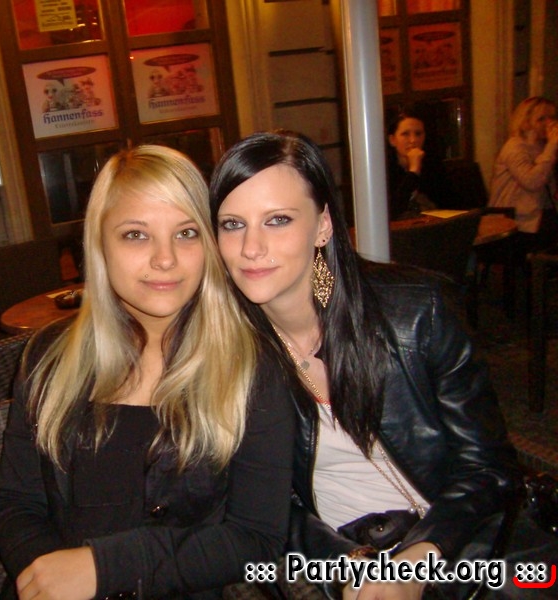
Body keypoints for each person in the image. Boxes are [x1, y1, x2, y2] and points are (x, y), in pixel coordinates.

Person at [210, 131, 553, 599]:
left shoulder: (415, 313)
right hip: (338, 557)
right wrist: (349, 565)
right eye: (232, 224)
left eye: (278, 220)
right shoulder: (227, 351)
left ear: (323, 225)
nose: (251, 247)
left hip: (448, 545)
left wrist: (421, 558)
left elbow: (488, 467)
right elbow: (262, 502)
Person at [0, 145, 294, 599]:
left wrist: (104, 569)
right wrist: (47, 577)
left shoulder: (251, 366)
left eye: (186, 233)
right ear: (99, 246)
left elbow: (257, 540)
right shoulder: (50, 357)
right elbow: (15, 503)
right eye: (135, 235)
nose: (165, 258)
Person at [489, 96, 558, 256]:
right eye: (542, 119)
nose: (549, 123)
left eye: (552, 118)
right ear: (526, 122)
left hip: (539, 213)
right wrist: (551, 147)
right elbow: (532, 182)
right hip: (515, 219)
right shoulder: (514, 148)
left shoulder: (541, 146)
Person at [385, 105, 456, 220]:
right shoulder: (384, 169)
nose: (413, 140)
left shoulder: (433, 164)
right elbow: (392, 210)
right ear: (392, 140)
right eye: (405, 134)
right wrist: (413, 171)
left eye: (418, 134)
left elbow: (449, 203)